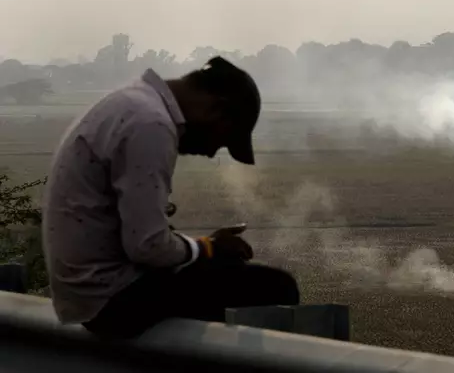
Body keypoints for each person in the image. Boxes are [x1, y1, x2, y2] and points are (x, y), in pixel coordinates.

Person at [42, 57, 300, 340]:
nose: (212, 152)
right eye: (222, 140)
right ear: (217, 110)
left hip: (87, 292)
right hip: (111, 299)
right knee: (276, 287)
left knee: (222, 269)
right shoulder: (151, 125)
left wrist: (204, 250)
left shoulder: (134, 102)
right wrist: (207, 249)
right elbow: (147, 246)